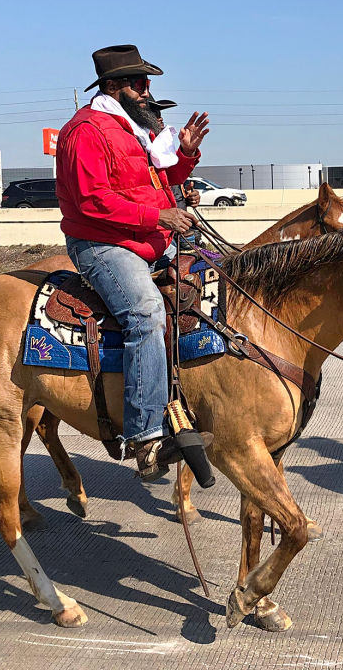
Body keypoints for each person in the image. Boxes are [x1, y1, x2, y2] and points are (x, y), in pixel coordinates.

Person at [54, 44, 212, 479]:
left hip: (146, 237)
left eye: (147, 85)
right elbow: (90, 202)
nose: (147, 92)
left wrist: (186, 156)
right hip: (102, 244)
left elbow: (160, 182)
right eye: (141, 85)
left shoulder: (128, 129)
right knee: (145, 312)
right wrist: (158, 215)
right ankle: (145, 437)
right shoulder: (84, 131)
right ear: (113, 87)